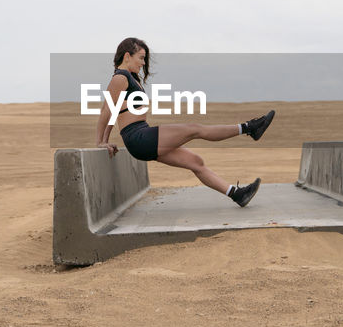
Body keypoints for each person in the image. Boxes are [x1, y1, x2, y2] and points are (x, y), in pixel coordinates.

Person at [95, 37, 275, 207]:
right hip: (139, 137)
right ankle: (250, 128)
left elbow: (113, 112)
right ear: (127, 56)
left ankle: (237, 195)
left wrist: (105, 139)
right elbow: (107, 111)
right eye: (141, 58)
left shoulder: (131, 78)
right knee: (195, 129)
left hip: (143, 137)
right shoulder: (120, 78)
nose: (143, 63)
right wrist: (100, 142)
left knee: (195, 161)